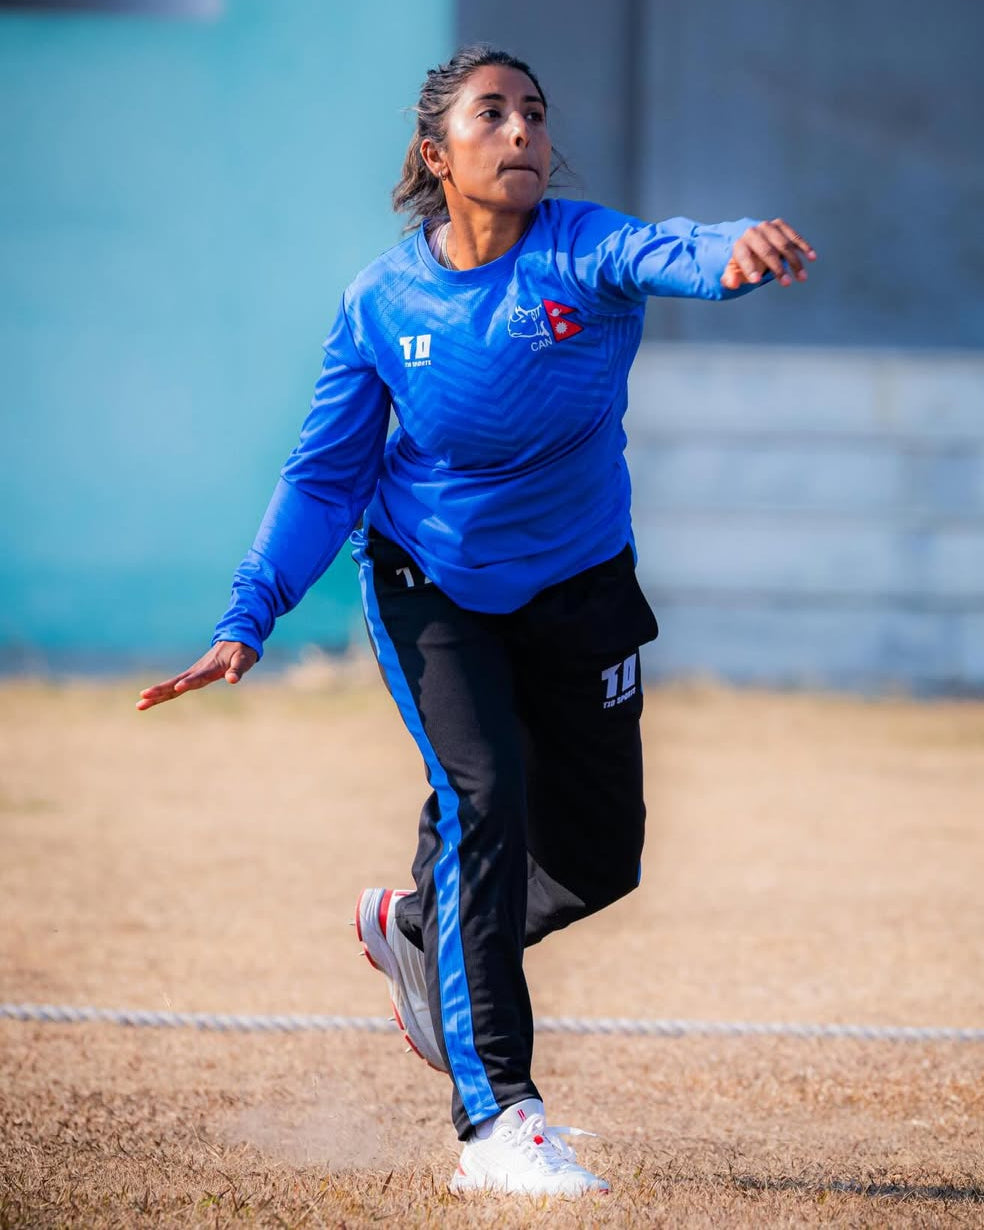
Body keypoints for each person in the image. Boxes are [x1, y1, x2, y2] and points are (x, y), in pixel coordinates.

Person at [137, 44, 815, 1197]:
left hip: (581, 584)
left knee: (602, 863)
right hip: (432, 587)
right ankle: (498, 1120)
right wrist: (249, 614)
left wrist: (734, 251)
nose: (521, 135)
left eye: (535, 117)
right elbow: (323, 477)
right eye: (491, 115)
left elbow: (676, 249)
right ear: (435, 155)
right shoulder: (381, 301)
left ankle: (417, 925)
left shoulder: (584, 249)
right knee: (486, 797)